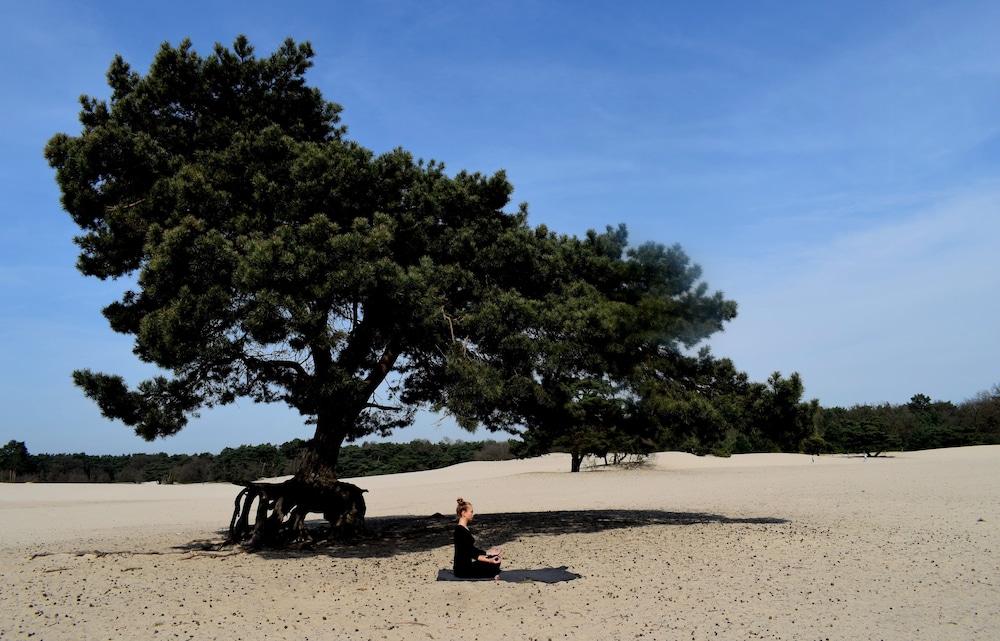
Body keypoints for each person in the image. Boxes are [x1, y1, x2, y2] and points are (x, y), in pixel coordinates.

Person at [453, 497, 502, 579]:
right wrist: (489, 560)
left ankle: (491, 572)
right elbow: (470, 552)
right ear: (463, 513)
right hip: (462, 570)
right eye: (471, 512)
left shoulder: (464, 528)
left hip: (467, 565)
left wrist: (488, 553)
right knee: (493, 562)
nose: (472, 514)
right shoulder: (459, 531)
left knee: (496, 559)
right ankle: (491, 574)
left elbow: (472, 549)